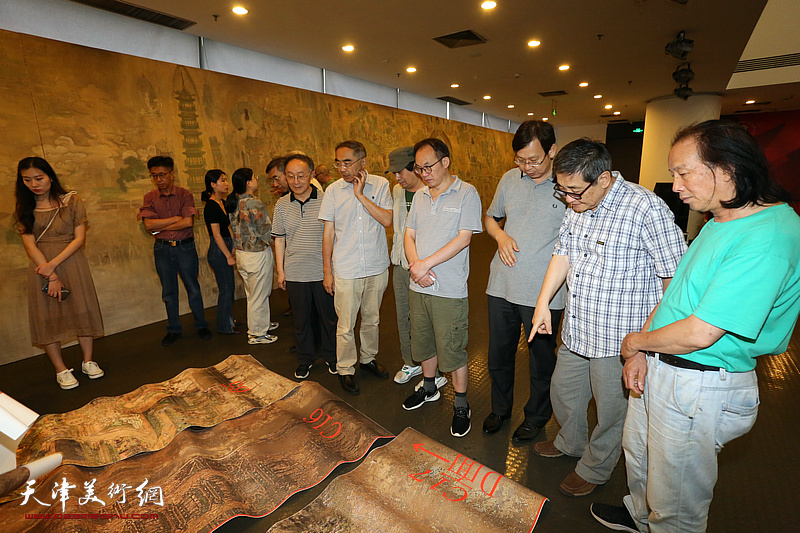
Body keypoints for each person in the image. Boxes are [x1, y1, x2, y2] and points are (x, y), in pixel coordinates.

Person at [591, 120, 800, 533]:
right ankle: (640, 515)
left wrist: (635, 341)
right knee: (641, 455)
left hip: (700, 381)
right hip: (666, 365)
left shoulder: (769, 234)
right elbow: (675, 295)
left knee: (678, 500)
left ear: (728, 168)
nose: (676, 185)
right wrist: (644, 354)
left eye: (683, 172)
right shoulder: (719, 220)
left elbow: (702, 332)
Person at [530, 139, 686, 497]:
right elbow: (563, 254)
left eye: (573, 191)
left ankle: (596, 466)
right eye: (562, 190)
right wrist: (543, 303)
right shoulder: (578, 204)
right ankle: (570, 442)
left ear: (603, 178)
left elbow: (673, 282)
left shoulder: (646, 209)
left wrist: (645, 347)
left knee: (612, 411)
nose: (568, 199)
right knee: (564, 392)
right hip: (578, 327)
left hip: (620, 338)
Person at [483, 120, 567, 443]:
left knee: (541, 362)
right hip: (501, 286)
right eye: (520, 160)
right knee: (498, 355)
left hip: (545, 294)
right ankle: (500, 409)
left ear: (552, 151)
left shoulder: (566, 185)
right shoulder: (509, 179)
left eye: (534, 160)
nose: (526, 167)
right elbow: (490, 217)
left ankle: (536, 416)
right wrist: (500, 234)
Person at [402, 138, 483, 438]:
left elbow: (464, 238)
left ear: (445, 162)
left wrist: (425, 265)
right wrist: (416, 266)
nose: (424, 173)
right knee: (422, 341)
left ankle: (461, 405)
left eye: (428, 166)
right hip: (418, 284)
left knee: (451, 348)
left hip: (448, 289)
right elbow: (409, 235)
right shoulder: (421, 196)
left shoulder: (467, 193)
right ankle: (428, 387)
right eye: (419, 168)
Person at [15, 157, 105, 390]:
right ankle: (61, 370)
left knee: (81, 309)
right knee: (47, 317)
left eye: (39, 178)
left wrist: (52, 265)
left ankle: (88, 360)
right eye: (27, 180)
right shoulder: (24, 208)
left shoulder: (72, 201)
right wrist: (50, 274)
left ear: (50, 177)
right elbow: (30, 245)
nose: (34, 184)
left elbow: (79, 238)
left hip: (71, 262)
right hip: (41, 266)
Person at [319, 140, 393, 395]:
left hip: (376, 265)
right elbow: (328, 234)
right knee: (346, 323)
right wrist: (327, 272)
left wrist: (360, 195)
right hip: (346, 268)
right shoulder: (333, 191)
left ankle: (368, 358)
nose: (342, 168)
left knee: (372, 319)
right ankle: (346, 368)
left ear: (363, 162)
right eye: (338, 162)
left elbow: (386, 219)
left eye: (347, 162)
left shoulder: (381, 185)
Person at [387, 145, 446, 390]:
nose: (397, 177)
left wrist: (423, 266)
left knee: (428, 320)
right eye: (394, 174)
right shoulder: (398, 192)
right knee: (404, 316)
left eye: (401, 171)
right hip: (402, 265)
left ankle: (435, 368)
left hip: (427, 267)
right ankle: (410, 361)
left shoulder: (431, 191)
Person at [272, 154, 337, 379]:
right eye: (290, 176)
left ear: (311, 175)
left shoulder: (326, 199)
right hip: (295, 272)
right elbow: (279, 239)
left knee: (329, 318)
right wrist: (281, 271)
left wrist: (331, 270)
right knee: (301, 322)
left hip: (322, 272)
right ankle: (305, 359)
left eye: (301, 176)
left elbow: (334, 237)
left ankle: (332, 357)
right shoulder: (281, 205)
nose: (296, 181)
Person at [138, 156, 211, 346]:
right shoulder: (150, 198)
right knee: (168, 291)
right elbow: (149, 225)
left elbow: (188, 222)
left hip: (185, 247)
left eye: (162, 174)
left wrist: (161, 224)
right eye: (154, 176)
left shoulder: (185, 195)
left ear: (171, 174)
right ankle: (174, 328)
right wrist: (174, 218)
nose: (158, 179)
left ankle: (201, 325)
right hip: (162, 248)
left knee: (192, 287)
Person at [227, 167, 279, 345]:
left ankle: (261, 323)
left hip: (242, 254)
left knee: (253, 293)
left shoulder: (233, 202)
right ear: (248, 183)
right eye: (255, 177)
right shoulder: (254, 203)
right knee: (259, 293)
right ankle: (257, 334)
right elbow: (266, 231)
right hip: (256, 254)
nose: (257, 180)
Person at [201, 169, 238, 335]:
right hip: (218, 251)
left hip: (226, 246)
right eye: (222, 180)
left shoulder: (222, 203)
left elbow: (227, 228)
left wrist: (234, 246)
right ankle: (224, 326)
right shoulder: (210, 206)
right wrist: (228, 255)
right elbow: (216, 235)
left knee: (230, 288)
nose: (226, 183)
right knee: (226, 289)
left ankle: (229, 320)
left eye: (226, 180)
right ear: (213, 185)